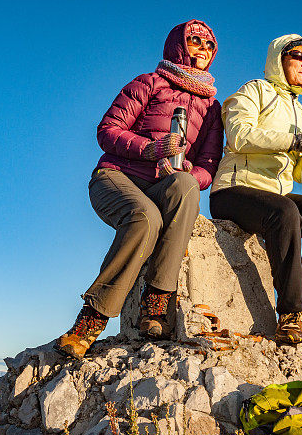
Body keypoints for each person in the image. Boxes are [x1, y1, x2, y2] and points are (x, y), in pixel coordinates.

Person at [55, 20, 223, 359]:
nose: (203, 49)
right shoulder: (149, 83)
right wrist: (149, 149)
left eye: (209, 45)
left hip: (163, 183)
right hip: (117, 177)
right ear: (179, 45)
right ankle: (92, 317)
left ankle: (157, 300)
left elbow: (208, 166)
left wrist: (189, 168)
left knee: (188, 186)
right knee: (145, 219)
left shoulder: (212, 108)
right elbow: (107, 130)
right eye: (195, 41)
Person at [209, 34, 302, 344]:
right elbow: (239, 135)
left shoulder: (301, 112)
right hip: (234, 189)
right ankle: (291, 312)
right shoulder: (255, 90)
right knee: (285, 212)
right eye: (298, 56)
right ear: (279, 59)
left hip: (276, 195)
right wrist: (295, 140)